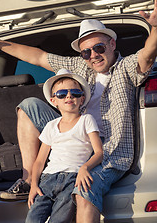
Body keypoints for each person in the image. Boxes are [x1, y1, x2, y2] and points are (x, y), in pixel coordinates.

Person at [0, 0, 157, 222]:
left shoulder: (126, 68)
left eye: (99, 48)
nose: (93, 55)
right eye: (86, 51)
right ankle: (29, 180)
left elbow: (147, 57)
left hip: (108, 153)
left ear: (112, 44)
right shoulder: (79, 66)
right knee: (28, 105)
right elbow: (39, 57)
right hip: (73, 142)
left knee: (84, 188)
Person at [25, 68, 103, 223]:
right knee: (32, 219)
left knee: (59, 220)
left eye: (75, 93)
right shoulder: (50, 126)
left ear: (82, 99)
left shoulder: (86, 120)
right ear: (54, 100)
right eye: (62, 94)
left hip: (72, 179)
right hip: (47, 180)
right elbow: (40, 161)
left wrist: (85, 167)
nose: (69, 96)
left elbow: (99, 152)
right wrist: (34, 185)